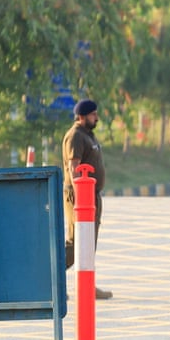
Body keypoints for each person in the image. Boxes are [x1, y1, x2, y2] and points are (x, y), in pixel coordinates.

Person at [62, 99, 112, 300]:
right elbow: (74, 168)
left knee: (89, 241)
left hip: (92, 195)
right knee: (77, 243)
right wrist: (81, 197)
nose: (96, 118)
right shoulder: (75, 136)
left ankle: (87, 286)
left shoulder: (87, 135)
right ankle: (51, 281)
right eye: (93, 115)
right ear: (81, 116)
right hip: (80, 196)